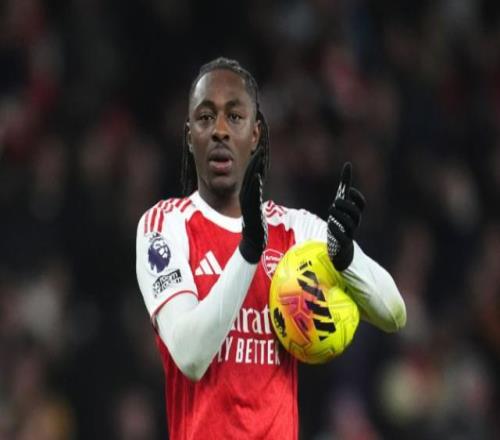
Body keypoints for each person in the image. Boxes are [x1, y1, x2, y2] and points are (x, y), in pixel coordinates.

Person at [135, 57, 406, 439]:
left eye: (234, 117)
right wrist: (249, 251)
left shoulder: (296, 230)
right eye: (206, 117)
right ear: (190, 136)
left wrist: (346, 258)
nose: (220, 131)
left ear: (256, 135)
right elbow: (191, 356)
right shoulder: (165, 226)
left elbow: (394, 313)